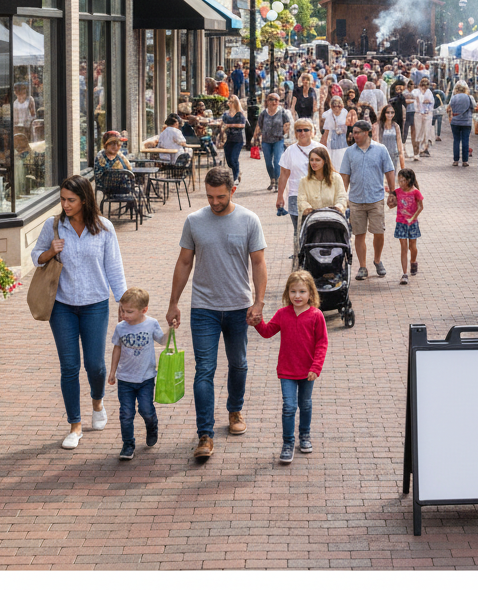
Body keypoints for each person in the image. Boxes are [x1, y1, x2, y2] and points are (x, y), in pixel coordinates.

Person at [165, 167, 267, 461]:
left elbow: (258, 263)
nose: (214, 202)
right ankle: (205, 434)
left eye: (220, 196)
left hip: (238, 307)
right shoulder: (195, 221)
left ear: (232, 191)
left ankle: (235, 410)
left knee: (239, 364)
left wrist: (258, 302)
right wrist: (173, 302)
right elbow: (184, 262)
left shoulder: (249, 220)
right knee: (204, 370)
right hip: (203, 309)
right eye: (209, 196)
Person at [31, 175, 127, 449]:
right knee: (69, 367)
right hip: (62, 306)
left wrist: (123, 300)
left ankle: (97, 402)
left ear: (85, 199)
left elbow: (114, 268)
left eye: (71, 200)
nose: (65, 204)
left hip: (95, 305)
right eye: (62, 199)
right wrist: (50, 251)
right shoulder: (54, 226)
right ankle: (75, 425)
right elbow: (36, 257)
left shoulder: (104, 228)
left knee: (95, 365)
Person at [252, 271, 328, 464]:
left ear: (310, 293)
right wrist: (257, 322)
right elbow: (268, 332)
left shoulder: (316, 316)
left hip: (307, 371)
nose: (297, 296)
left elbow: (322, 343)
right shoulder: (282, 313)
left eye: (302, 291)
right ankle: (287, 443)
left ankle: (305, 435)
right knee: (289, 407)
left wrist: (316, 367)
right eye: (293, 291)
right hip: (286, 370)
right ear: (288, 292)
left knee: (305, 404)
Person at [107, 287, 168, 460]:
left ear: (144, 310)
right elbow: (117, 348)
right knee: (126, 413)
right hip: (125, 379)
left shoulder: (151, 324)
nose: (124, 315)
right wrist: (112, 372)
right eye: (123, 310)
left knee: (146, 409)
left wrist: (171, 330)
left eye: (129, 311)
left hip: (146, 378)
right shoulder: (121, 327)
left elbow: (163, 341)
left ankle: (152, 426)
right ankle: (128, 444)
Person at [339, 119, 397, 281]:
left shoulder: (380, 149)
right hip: (356, 200)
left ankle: (377, 260)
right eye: (353, 132)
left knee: (378, 232)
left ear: (367, 133)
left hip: (376, 198)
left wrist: (393, 192)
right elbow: (345, 176)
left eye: (357, 132)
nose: (354, 135)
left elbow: (389, 171)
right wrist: (342, 198)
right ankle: (363, 266)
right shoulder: (350, 152)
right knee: (359, 234)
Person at [277, 120, 324, 238]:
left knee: (316, 228)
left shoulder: (320, 149)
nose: (302, 133)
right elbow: (283, 175)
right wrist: (280, 196)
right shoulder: (290, 151)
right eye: (299, 130)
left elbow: (329, 173)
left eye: (306, 130)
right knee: (299, 230)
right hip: (295, 195)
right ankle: (298, 254)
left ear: (311, 132)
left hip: (317, 194)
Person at [296, 146, 349, 241]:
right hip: (312, 224)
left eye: (317, 160)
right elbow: (301, 200)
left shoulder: (336, 178)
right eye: (311, 160)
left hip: (333, 222)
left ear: (324, 161)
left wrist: (338, 207)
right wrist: (307, 208)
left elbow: (342, 197)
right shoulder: (304, 181)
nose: (314, 163)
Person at [388, 168, 424, 284]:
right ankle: (404, 274)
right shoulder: (397, 192)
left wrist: (413, 218)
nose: (400, 183)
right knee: (403, 247)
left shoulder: (415, 192)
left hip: (412, 224)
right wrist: (391, 199)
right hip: (400, 223)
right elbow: (391, 205)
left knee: (412, 247)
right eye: (399, 180)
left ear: (409, 180)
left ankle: (413, 261)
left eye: (403, 180)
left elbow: (420, 207)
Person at [253, 92, 292, 193]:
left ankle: (278, 182)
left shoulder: (282, 112)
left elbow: (287, 123)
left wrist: (283, 132)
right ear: (267, 101)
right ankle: (272, 179)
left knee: (277, 161)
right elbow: (259, 125)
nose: (274, 102)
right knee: (268, 162)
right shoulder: (263, 113)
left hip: (278, 140)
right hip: (266, 140)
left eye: (276, 100)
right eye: (271, 99)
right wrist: (255, 136)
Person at [220, 95, 247, 186]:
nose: (229, 103)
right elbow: (222, 123)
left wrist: (229, 126)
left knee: (234, 159)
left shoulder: (240, 113)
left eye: (231, 102)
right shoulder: (226, 114)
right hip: (228, 139)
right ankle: (238, 171)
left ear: (235, 103)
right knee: (229, 161)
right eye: (229, 102)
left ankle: (235, 179)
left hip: (238, 139)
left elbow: (242, 125)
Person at [320, 95, 350, 171]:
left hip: (344, 143)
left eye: (338, 105)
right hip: (333, 144)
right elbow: (326, 133)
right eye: (334, 106)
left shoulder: (345, 113)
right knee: (334, 164)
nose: (336, 107)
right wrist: (322, 146)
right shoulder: (329, 116)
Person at [447, 80, 473, 167]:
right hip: (467, 122)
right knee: (465, 140)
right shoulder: (469, 97)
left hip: (455, 122)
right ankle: (465, 161)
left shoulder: (454, 97)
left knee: (456, 140)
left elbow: (450, 108)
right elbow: (474, 107)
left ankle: (456, 160)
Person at [375, 104, 406, 172]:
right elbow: (376, 142)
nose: (390, 114)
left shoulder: (395, 126)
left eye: (392, 112)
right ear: (384, 113)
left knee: (392, 178)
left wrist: (402, 165)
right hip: (382, 156)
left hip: (394, 155)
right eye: (387, 112)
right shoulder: (378, 126)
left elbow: (399, 143)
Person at [413, 78, 435, 157]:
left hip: (427, 113)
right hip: (418, 114)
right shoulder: (416, 91)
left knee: (427, 130)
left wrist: (427, 103)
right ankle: (417, 149)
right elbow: (416, 101)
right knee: (418, 131)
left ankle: (425, 148)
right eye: (423, 86)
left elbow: (431, 102)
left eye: (426, 86)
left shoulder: (429, 92)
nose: (424, 88)